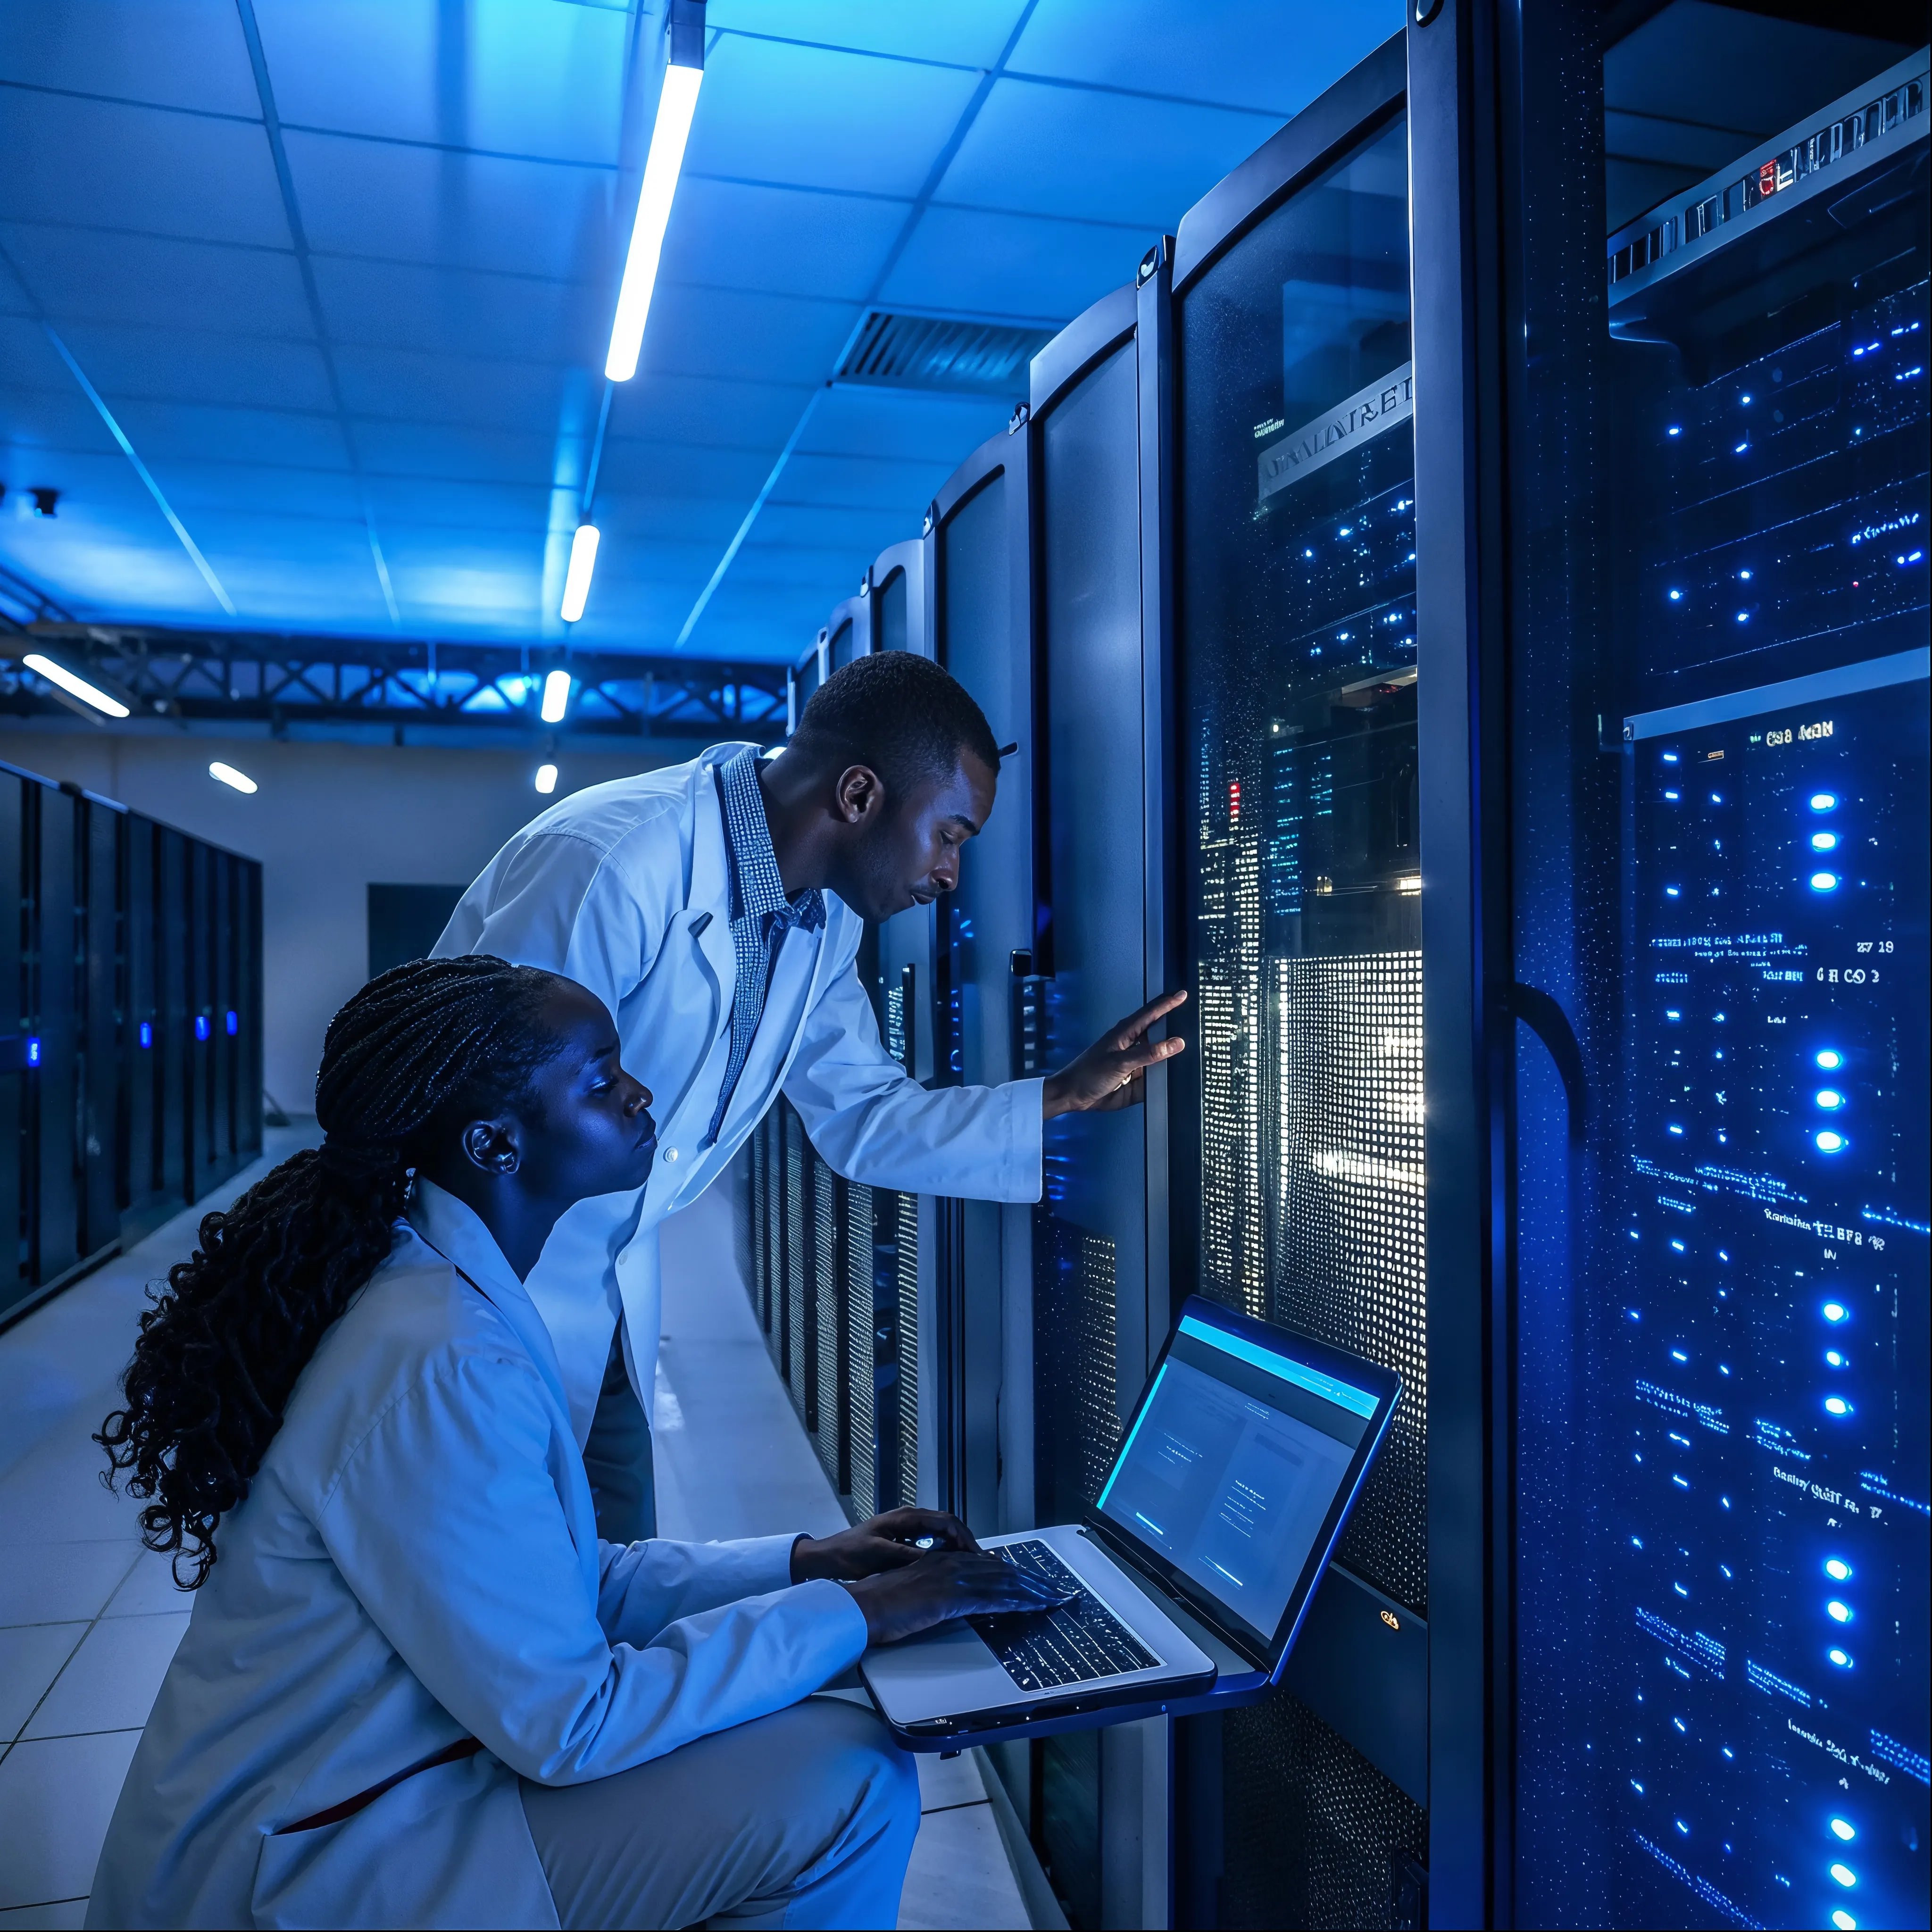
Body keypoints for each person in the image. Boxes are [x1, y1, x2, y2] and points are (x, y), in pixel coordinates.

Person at [87, 955, 1066, 1931]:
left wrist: (808, 1564)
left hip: (377, 1790)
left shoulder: (437, 1290)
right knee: (847, 1781)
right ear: (495, 1144)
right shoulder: (440, 1356)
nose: (640, 1094)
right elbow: (569, 1721)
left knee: (810, 1738)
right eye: (600, 1079)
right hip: (306, 1864)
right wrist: (858, 1616)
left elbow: (556, 1583)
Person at [437, 650, 1186, 1537]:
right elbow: (484, 1116)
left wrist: (1057, 1097)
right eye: (950, 836)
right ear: (860, 795)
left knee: (605, 1566)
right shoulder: (613, 863)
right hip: (476, 1302)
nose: (950, 875)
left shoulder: (817, 922)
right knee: (490, 1570)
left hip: (608, 1308)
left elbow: (863, 1115)